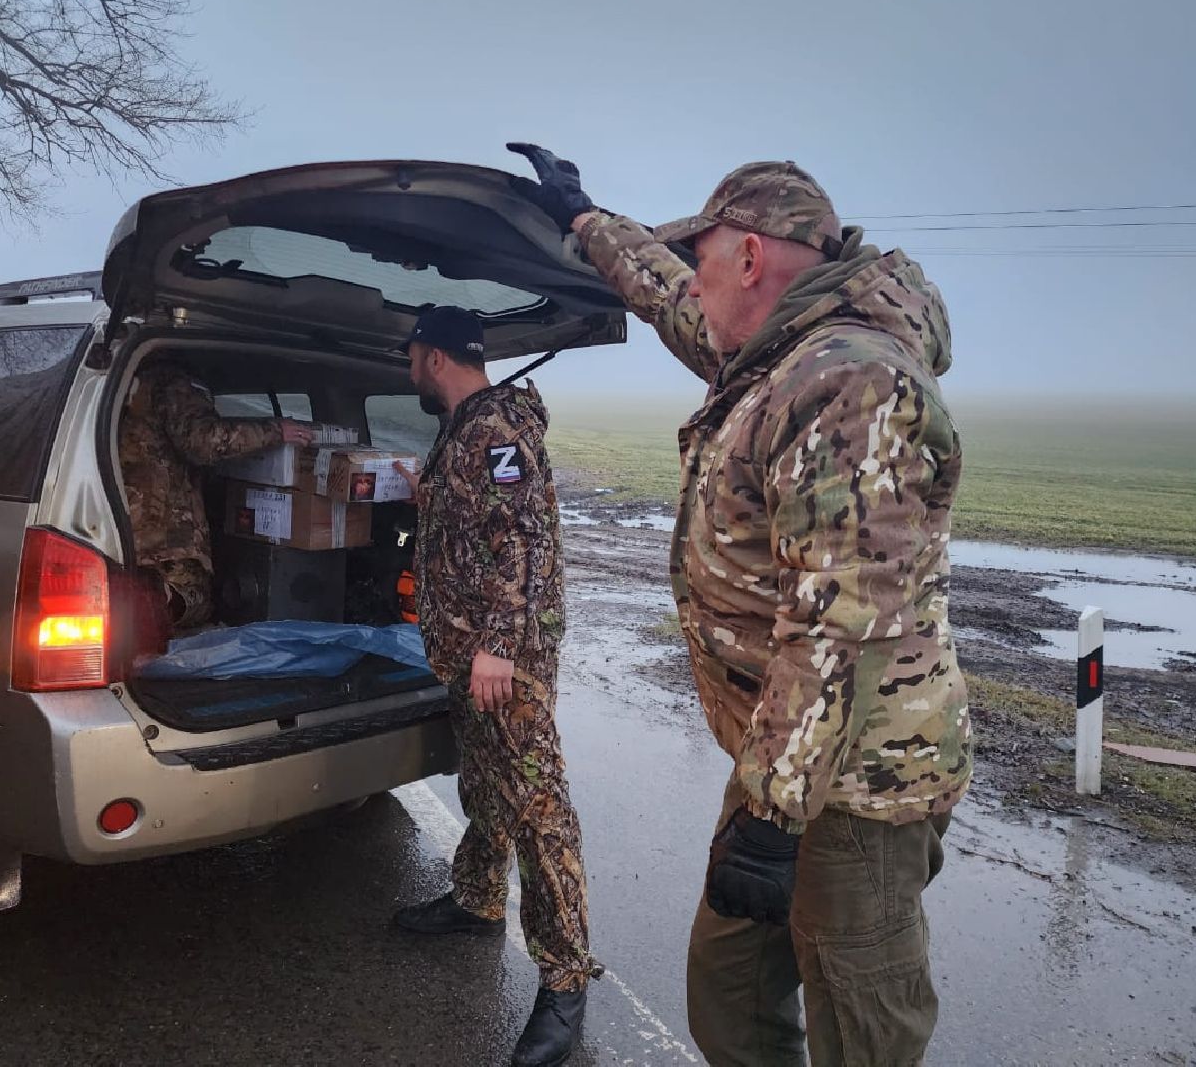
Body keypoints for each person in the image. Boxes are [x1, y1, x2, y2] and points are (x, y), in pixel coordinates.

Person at [507, 144, 972, 1067]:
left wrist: (769, 815)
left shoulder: (848, 383)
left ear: (752, 260)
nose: (695, 281)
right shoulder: (775, 352)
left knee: (861, 1030)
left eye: (708, 255)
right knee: (729, 993)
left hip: (855, 786)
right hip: (787, 756)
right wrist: (588, 220)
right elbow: (671, 298)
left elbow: (840, 621)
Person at [390, 306, 598, 1067]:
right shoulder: (465, 426)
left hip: (502, 658)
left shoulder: (494, 429)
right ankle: (478, 898)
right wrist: (426, 492)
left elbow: (523, 539)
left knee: (540, 809)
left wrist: (500, 648)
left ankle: (566, 981)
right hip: (469, 653)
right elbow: (478, 522)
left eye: (412, 354)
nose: (407, 366)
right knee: (484, 784)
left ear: (435, 357)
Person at [118, 360, 309, 628]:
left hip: (133, 529)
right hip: (162, 539)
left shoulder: (135, 392)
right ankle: (149, 607)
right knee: (191, 599)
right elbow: (204, 441)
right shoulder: (169, 383)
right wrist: (276, 431)